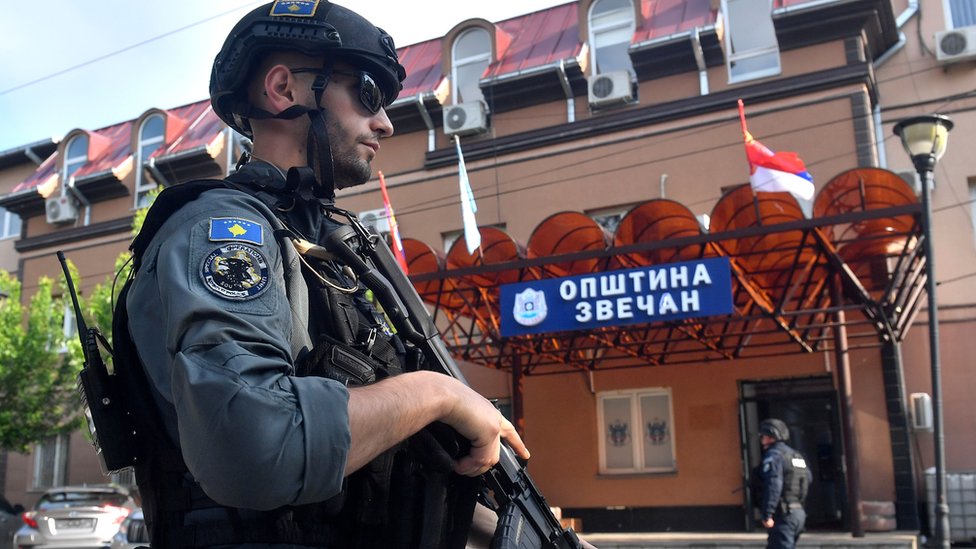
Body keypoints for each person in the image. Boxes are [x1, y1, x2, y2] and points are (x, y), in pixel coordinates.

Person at [120, 1, 531, 546]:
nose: (385, 122)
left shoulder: (318, 247)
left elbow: (381, 472)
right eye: (367, 93)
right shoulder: (225, 231)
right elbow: (257, 447)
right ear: (284, 89)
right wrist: (439, 394)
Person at [757, 418, 813, 549]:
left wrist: (767, 513)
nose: (761, 439)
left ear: (771, 436)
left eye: (762, 436)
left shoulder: (774, 456)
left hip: (783, 515)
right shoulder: (796, 455)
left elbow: (774, 485)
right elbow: (808, 478)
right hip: (798, 513)